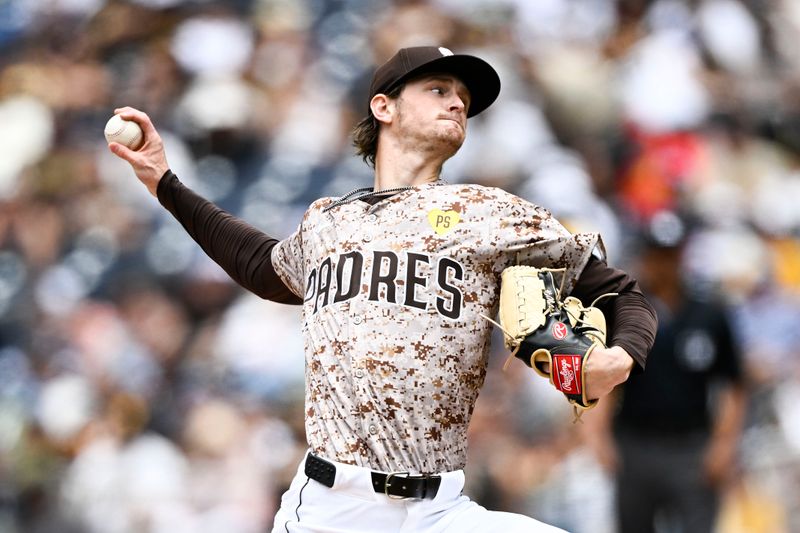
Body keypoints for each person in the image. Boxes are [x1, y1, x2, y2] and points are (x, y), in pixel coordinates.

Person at [108, 46, 657, 532]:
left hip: (440, 509)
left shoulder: (493, 214)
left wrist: (622, 357)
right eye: (439, 89)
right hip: (331, 508)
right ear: (383, 107)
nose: (457, 102)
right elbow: (260, 264)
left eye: (463, 96)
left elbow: (622, 293)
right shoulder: (328, 221)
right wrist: (164, 183)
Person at [583, 213, 748, 533]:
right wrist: (598, 438)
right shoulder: (625, 311)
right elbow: (606, 379)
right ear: (645, 256)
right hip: (635, 442)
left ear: (682, 255)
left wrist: (724, 444)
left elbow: (732, 385)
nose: (663, 264)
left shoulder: (710, 314)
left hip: (692, 446)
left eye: (670, 255)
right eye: (657, 255)